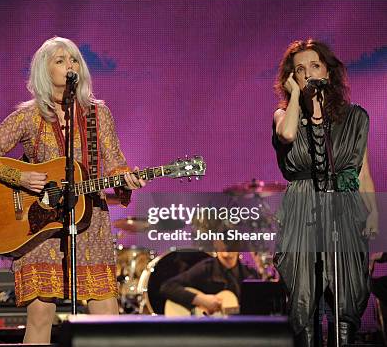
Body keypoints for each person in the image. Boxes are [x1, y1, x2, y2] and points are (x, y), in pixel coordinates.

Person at [0, 36, 145, 343]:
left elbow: (115, 163)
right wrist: (19, 178)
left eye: (74, 59)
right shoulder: (28, 115)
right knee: (40, 317)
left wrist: (124, 178)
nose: (69, 65)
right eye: (60, 60)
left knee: (106, 314)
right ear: (43, 70)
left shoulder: (98, 113)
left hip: (91, 223)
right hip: (41, 226)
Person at [272, 39, 379, 346]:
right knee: (304, 299)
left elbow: (362, 172)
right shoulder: (283, 115)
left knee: (345, 297)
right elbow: (288, 134)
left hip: (344, 208)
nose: (308, 73)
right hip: (303, 209)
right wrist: (295, 96)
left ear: (328, 73)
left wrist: (373, 218)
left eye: (314, 66)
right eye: (299, 69)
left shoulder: (355, 118)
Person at [160, 244, 259, 315]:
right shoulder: (206, 268)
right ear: (216, 243)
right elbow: (167, 287)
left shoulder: (250, 275)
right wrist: (201, 300)